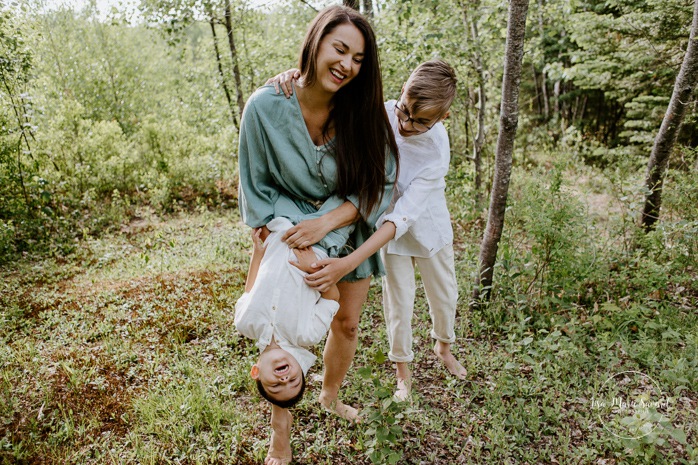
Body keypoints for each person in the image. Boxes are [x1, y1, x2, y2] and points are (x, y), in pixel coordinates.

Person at [238, 4, 398, 438]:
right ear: (316, 42)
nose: (347, 65)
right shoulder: (266, 107)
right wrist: (291, 240)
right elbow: (256, 185)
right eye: (340, 49)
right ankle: (280, 425)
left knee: (345, 322)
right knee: (286, 333)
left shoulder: (363, 113)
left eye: (358, 59)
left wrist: (327, 224)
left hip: (348, 227)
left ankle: (329, 394)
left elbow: (378, 184)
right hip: (290, 234)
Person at [269, 60, 465, 401]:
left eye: (420, 122)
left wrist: (347, 264)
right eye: (404, 110)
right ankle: (402, 370)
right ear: (401, 91)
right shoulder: (382, 112)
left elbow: (405, 215)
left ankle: (443, 346)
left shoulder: (436, 152)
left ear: (441, 119)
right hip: (384, 231)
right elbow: (330, 96)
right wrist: (294, 77)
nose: (405, 124)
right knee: (399, 303)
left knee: (445, 296)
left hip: (427, 228)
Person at [234, 217, 340, 465]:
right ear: (298, 368)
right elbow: (332, 298)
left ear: (256, 372)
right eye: (293, 380)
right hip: (314, 240)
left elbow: (250, 290)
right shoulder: (306, 335)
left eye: (276, 385)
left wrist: (257, 253)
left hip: (277, 233)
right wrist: (313, 266)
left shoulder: (245, 324)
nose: (284, 379)